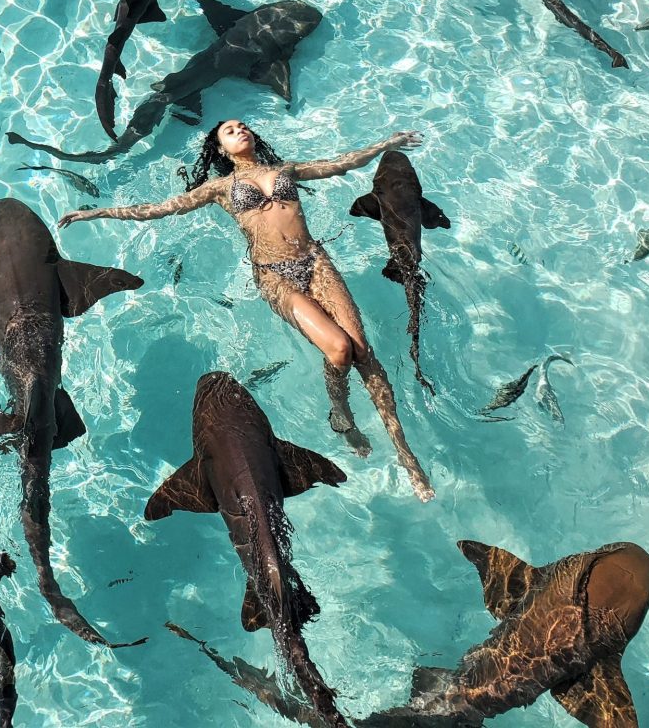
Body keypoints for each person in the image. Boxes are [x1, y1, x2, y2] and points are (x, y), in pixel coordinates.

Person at [59, 119, 434, 501]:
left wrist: (387, 143)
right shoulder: (220, 188)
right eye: (229, 131)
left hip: (316, 262)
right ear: (221, 149)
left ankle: (408, 459)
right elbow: (160, 209)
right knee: (339, 349)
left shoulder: (285, 170)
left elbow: (341, 163)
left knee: (363, 353)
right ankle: (342, 413)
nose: (239, 130)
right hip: (274, 275)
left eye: (243, 126)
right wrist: (96, 214)